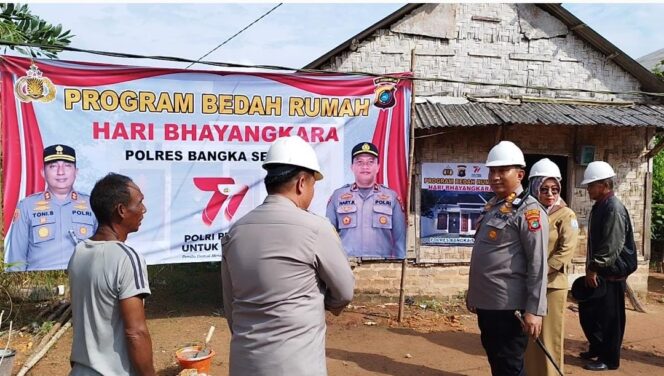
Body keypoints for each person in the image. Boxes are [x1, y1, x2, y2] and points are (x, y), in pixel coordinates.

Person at [221, 136, 355, 376]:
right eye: (314, 185)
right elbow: (344, 292)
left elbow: (230, 302)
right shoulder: (316, 229)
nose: (312, 193)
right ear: (302, 183)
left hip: (245, 363)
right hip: (296, 365)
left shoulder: (236, 231)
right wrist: (322, 303)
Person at [466, 140, 548, 376]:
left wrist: (534, 310)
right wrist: (474, 294)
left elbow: (538, 264)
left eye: (503, 170)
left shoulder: (529, 211)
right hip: (488, 304)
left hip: (509, 307)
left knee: (509, 366)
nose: (495, 176)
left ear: (520, 174)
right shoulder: (494, 206)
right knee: (498, 361)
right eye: (492, 170)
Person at [68, 173, 154, 376]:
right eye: (139, 202)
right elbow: (136, 333)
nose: (144, 209)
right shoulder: (127, 258)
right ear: (122, 210)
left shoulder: (79, 252)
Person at [524, 158, 579, 376]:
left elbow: (565, 251)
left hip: (552, 285)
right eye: (544, 188)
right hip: (528, 284)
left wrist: (541, 272)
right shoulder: (529, 212)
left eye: (555, 189)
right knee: (531, 336)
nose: (550, 194)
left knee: (549, 337)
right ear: (534, 187)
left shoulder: (566, 215)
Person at [578, 161, 634, 371]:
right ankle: (598, 347)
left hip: (611, 273)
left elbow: (611, 245)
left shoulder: (613, 208)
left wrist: (594, 268)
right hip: (602, 271)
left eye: (591, 185)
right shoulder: (601, 206)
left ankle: (609, 359)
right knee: (590, 313)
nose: (589, 190)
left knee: (610, 319)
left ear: (603, 185)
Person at [5, 144, 97, 271]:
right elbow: (16, 260)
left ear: (76, 172)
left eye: (67, 166)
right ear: (43, 172)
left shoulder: (92, 204)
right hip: (38, 286)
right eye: (53, 166)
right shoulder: (27, 206)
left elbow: (103, 252)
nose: (61, 172)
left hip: (83, 281)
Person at [326, 142, 406, 259]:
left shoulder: (391, 197)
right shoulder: (338, 196)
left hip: (381, 269)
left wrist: (400, 271)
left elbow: (400, 241)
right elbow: (328, 238)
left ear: (378, 167)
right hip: (346, 267)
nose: (365, 166)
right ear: (352, 167)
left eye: (370, 162)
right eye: (360, 162)